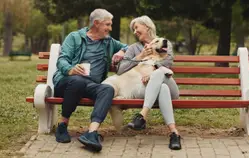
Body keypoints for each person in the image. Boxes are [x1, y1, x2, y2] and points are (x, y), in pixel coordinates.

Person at [53, 8, 128, 152]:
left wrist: (121, 51)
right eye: (107, 25)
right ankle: (62, 125)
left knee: (108, 89)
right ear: (96, 23)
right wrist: (71, 69)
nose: (110, 28)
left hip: (91, 85)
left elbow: (127, 47)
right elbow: (62, 60)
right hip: (67, 82)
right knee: (78, 81)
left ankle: (91, 133)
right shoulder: (74, 37)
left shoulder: (108, 42)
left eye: (110, 25)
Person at [117, 15, 182, 150]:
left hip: (171, 89)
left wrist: (153, 69)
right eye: (133, 30)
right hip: (151, 91)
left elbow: (168, 61)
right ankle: (174, 133)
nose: (134, 32)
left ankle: (142, 116)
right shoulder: (134, 48)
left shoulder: (163, 42)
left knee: (159, 74)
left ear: (146, 26)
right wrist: (140, 56)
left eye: (136, 28)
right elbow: (120, 69)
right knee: (162, 87)